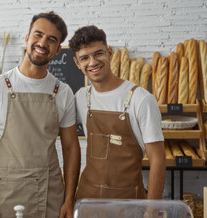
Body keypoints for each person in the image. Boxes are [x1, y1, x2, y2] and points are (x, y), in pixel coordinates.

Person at [0, 11, 80, 218]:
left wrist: (69, 200)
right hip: (5, 198)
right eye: (38, 35)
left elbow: (71, 149)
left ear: (58, 49)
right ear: (27, 37)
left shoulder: (64, 92)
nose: (42, 43)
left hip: (51, 199)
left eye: (52, 40)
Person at [68, 25, 166, 201]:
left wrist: (151, 210)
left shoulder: (141, 99)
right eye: (84, 58)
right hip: (86, 201)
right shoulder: (81, 97)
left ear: (109, 53)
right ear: (77, 63)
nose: (92, 62)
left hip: (128, 203)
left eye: (98, 53)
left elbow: (158, 161)